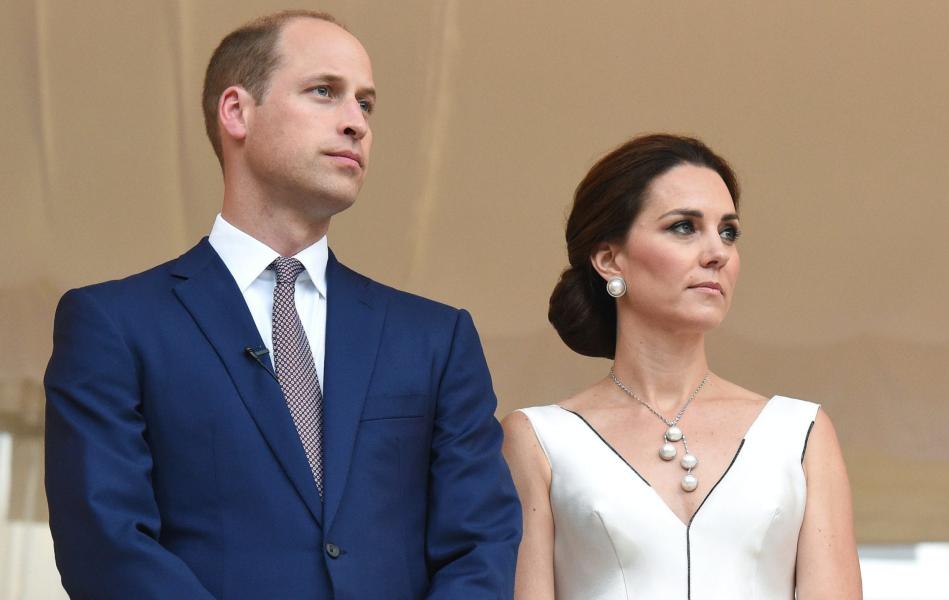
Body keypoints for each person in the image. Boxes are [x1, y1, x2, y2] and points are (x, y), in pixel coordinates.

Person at [44, 10, 520, 599]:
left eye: (366, 105)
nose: (356, 124)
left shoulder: (436, 337)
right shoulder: (114, 324)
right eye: (325, 92)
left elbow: (482, 543)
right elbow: (106, 544)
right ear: (236, 111)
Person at [502, 134, 862, 599]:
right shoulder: (538, 439)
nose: (718, 252)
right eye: (684, 227)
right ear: (610, 259)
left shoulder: (802, 433)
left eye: (728, 231)